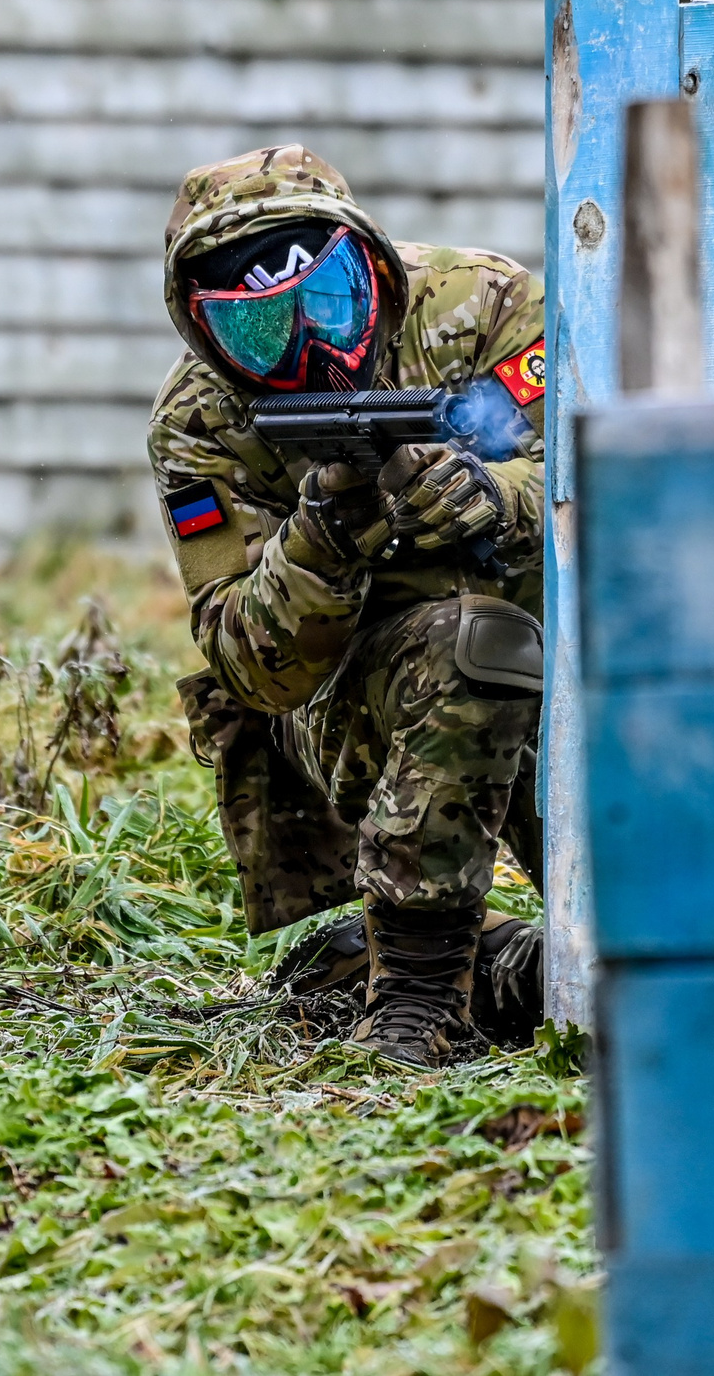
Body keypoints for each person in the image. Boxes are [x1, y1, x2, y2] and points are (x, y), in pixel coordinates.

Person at [149, 144, 549, 1066]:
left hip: (563, 669)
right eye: (262, 335)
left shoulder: (482, 307)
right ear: (209, 335)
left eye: (327, 306)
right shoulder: (201, 424)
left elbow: (605, 468)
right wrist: (323, 533)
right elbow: (249, 660)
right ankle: (415, 993)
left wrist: (493, 493)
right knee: (472, 642)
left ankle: (508, 971)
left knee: (642, 934)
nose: (312, 353)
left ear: (370, 267)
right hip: (351, 712)